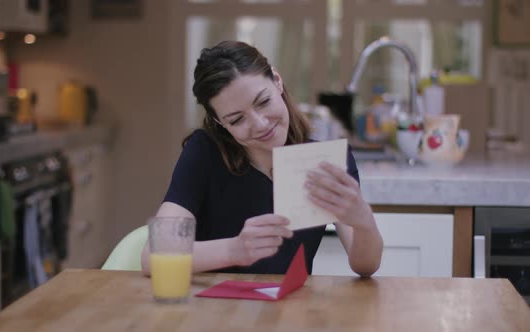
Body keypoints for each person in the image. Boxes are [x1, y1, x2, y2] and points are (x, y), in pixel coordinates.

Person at [141, 41, 382, 277]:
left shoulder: (326, 161)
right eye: (237, 120)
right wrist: (234, 250)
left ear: (277, 80)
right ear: (219, 122)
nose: (260, 124)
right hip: (213, 311)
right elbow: (154, 256)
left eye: (263, 102)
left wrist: (364, 222)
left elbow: (366, 266)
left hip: (291, 311)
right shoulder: (204, 152)